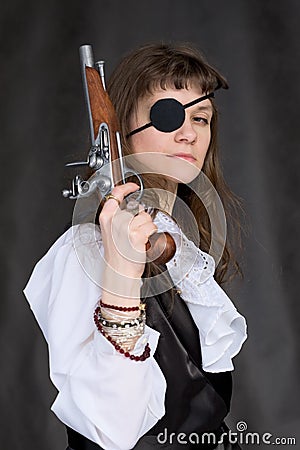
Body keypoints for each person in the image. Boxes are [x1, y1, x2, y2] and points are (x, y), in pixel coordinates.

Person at [24, 43, 247, 450]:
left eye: (201, 118)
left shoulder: (180, 246)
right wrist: (121, 274)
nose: (189, 132)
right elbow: (112, 429)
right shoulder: (83, 251)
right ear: (121, 126)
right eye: (168, 116)